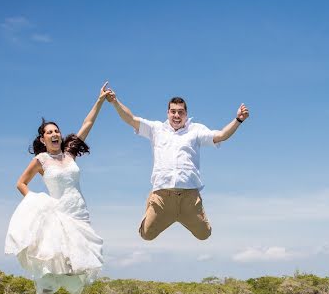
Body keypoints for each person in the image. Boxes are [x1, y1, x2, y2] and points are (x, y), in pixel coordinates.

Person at [4, 82, 111, 294]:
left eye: (56, 131)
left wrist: (99, 101)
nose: (54, 134)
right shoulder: (41, 160)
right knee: (58, 254)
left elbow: (88, 122)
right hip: (58, 210)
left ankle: (58, 291)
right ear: (43, 139)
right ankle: (46, 291)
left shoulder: (70, 153)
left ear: (60, 135)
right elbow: (21, 183)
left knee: (80, 259)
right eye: (49, 132)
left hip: (79, 209)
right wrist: (34, 201)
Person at [106, 89, 249, 241]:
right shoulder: (156, 129)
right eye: (173, 111)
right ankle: (152, 202)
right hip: (162, 196)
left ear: (186, 114)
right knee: (146, 235)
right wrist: (115, 102)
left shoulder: (196, 130)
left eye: (180, 112)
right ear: (167, 113)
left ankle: (182, 216)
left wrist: (238, 120)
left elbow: (221, 135)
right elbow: (131, 119)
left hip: (188, 197)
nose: (176, 115)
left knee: (204, 235)